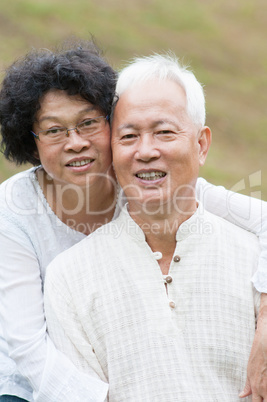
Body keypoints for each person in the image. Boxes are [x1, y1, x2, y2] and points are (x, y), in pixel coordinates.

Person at [0, 41, 266, 401]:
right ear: (31, 144)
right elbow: (28, 346)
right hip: (31, 379)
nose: (75, 142)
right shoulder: (14, 210)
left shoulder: (143, 176)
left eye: (88, 123)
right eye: (53, 130)